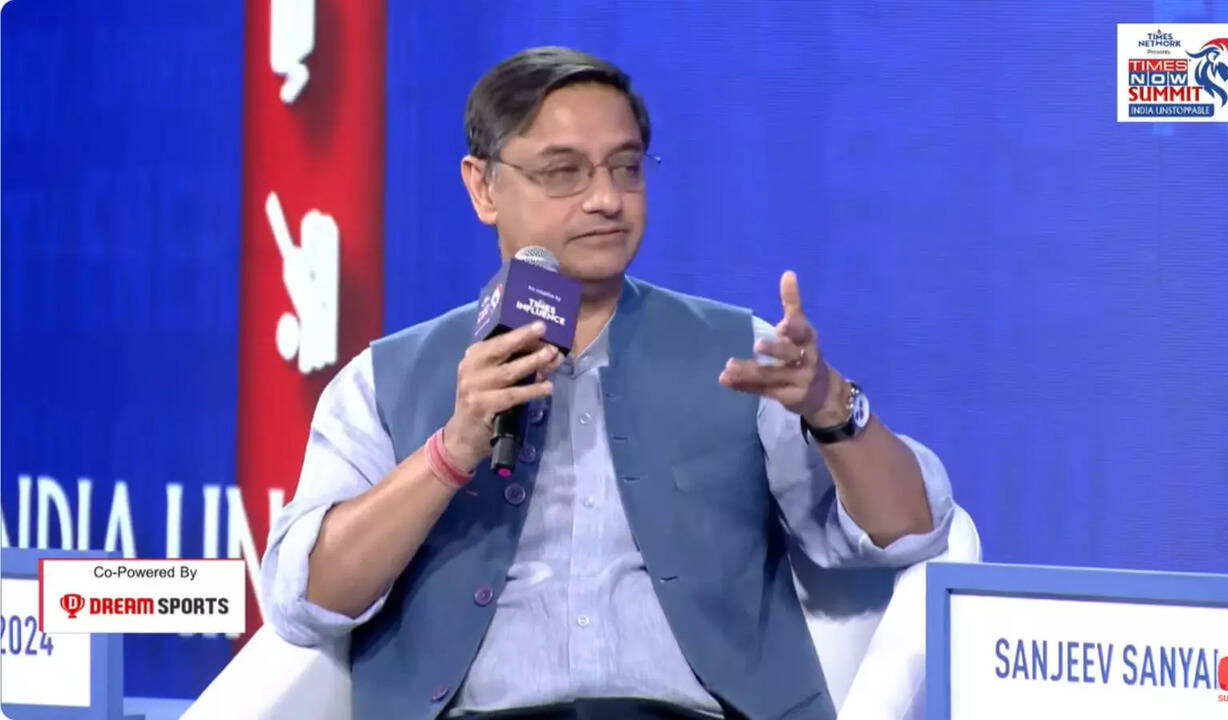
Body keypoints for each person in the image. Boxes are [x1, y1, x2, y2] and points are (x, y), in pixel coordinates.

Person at [261, 46, 954, 720]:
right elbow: (307, 600)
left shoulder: (739, 356)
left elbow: (910, 534)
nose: (605, 199)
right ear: (483, 187)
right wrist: (451, 452)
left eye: (626, 168)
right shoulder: (384, 380)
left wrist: (831, 406)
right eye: (563, 172)